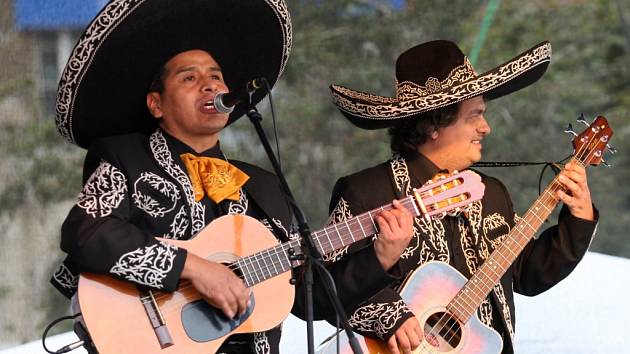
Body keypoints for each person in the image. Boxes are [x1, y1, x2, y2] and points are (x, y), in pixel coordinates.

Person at [49, 1, 413, 353]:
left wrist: (380, 257)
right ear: (156, 104)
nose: (209, 86)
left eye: (216, 78)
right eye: (189, 77)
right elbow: (86, 230)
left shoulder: (264, 188)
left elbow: (308, 299)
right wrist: (194, 269)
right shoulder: (125, 158)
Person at [323, 40, 598, 354]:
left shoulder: (492, 193)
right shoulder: (367, 191)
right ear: (434, 124)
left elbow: (529, 274)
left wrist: (579, 217)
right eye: (475, 115)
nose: (486, 127)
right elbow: (326, 285)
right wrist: (389, 315)